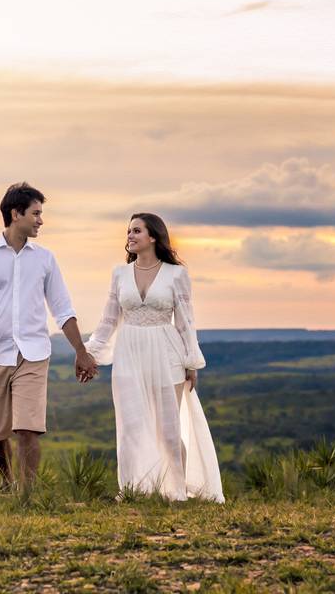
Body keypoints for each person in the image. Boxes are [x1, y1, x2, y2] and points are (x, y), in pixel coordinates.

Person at [0, 182, 98, 491]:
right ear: (15, 213)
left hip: (34, 353)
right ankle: (7, 481)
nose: (40, 220)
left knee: (29, 429)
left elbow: (62, 309)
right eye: (35, 213)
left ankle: (27, 495)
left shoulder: (45, 259)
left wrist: (81, 351)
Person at [85, 212, 224, 502]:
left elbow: (186, 321)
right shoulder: (119, 274)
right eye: (128, 231)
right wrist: (89, 353)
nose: (130, 236)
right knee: (132, 425)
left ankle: (175, 491)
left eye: (136, 231)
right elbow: (109, 320)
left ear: (153, 237)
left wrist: (191, 361)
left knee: (168, 429)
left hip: (167, 352)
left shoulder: (176, 274)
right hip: (129, 351)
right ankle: (135, 490)